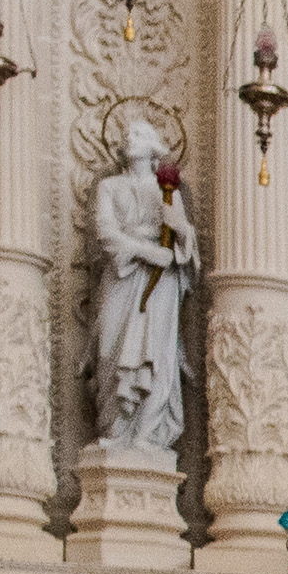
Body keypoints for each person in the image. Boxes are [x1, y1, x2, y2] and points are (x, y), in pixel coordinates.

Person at [85, 113, 198, 449]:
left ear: (152, 149)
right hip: (124, 274)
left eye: (138, 134)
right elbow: (105, 232)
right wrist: (146, 253)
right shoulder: (110, 187)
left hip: (160, 283)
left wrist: (179, 232)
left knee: (155, 351)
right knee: (111, 345)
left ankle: (147, 434)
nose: (129, 138)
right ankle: (115, 430)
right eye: (127, 134)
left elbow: (184, 239)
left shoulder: (168, 192)